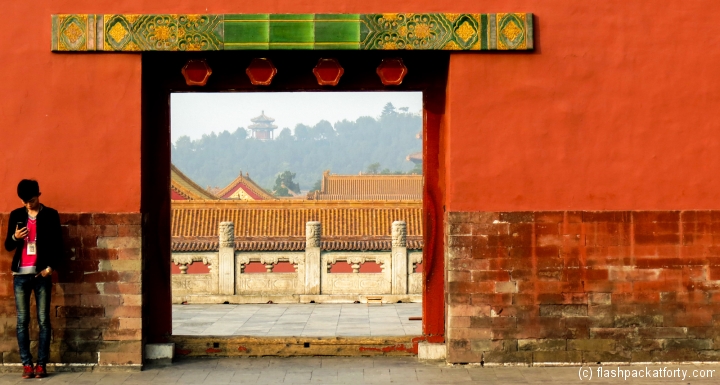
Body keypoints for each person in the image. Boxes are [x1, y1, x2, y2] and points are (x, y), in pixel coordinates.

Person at [4, 180, 63, 379]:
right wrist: (15, 236)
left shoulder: (51, 215)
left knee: (44, 321)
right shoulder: (16, 215)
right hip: (21, 275)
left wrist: (50, 268)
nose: (28, 204)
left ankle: (41, 364)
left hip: (41, 274)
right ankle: (27, 364)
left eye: (32, 199)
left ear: (39, 194)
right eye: (25, 201)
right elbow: (8, 246)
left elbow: (58, 246)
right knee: (22, 321)